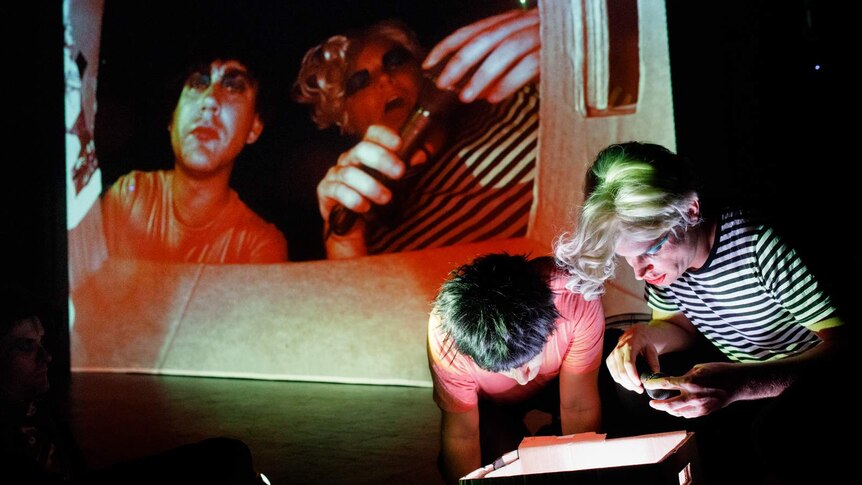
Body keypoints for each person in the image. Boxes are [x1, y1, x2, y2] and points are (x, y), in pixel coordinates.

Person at [554, 141, 851, 483]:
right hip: (745, 393)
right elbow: (678, 324)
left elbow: (846, 350)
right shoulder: (668, 268)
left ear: (691, 209)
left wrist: (741, 384)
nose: (640, 272)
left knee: (772, 433)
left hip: (815, 393)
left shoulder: (761, 246)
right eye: (627, 257)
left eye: (651, 249)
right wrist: (644, 336)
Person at [293, 7, 541, 259]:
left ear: (422, 70)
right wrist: (343, 241)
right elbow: (360, 297)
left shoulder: (513, 102)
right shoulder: (373, 239)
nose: (384, 79)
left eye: (394, 61)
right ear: (346, 121)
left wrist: (566, 41)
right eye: (360, 82)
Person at [1, 292, 268, 484]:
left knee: (226, 453)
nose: (46, 357)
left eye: (41, 342)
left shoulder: (39, 409)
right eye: (26, 347)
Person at [427, 253, 604, 483]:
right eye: (507, 369)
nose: (523, 378)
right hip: (490, 407)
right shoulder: (446, 336)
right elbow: (462, 434)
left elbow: (578, 406)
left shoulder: (574, 295)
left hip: (559, 380)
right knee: (502, 466)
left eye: (529, 361)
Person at [102, 53, 287, 264]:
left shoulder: (257, 246)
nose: (209, 100)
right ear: (172, 118)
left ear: (254, 128)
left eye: (233, 87)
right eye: (198, 83)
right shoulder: (129, 197)